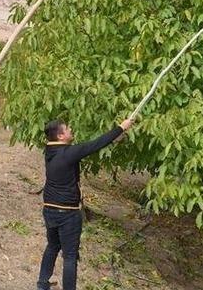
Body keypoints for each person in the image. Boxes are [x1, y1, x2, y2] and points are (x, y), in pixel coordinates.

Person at [37, 117, 134, 290]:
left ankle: (42, 284)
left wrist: (115, 139)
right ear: (60, 136)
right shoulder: (68, 153)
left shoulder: (50, 152)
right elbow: (95, 144)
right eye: (67, 128)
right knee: (70, 256)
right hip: (67, 214)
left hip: (49, 209)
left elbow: (93, 146)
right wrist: (120, 128)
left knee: (52, 246)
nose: (71, 129)